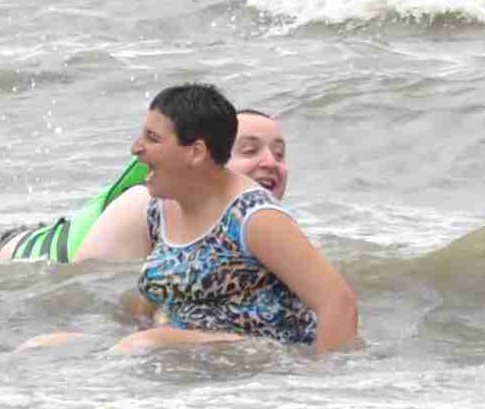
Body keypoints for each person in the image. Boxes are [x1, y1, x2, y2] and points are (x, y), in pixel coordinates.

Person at [116, 82, 357, 350]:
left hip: (265, 361)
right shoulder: (160, 210)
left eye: (153, 138)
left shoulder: (254, 216)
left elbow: (338, 304)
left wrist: (317, 383)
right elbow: (151, 301)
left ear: (196, 152)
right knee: (64, 342)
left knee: (144, 344)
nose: (136, 148)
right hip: (196, 360)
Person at [0, 105, 293, 264]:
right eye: (250, 149)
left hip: (64, 231)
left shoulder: (258, 224)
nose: (269, 163)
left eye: (279, 153)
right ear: (205, 155)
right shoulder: (148, 205)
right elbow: (87, 285)